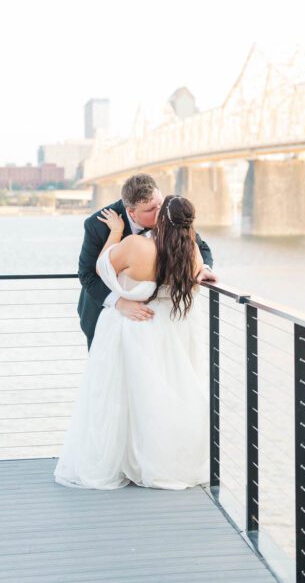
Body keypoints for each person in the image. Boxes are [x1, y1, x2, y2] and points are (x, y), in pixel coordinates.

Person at [55, 195, 211, 489]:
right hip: (167, 331)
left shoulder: (137, 246)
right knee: (157, 396)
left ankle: (119, 460)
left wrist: (115, 233)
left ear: (161, 218)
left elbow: (101, 269)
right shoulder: (192, 254)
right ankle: (155, 461)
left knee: (117, 396)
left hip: (130, 328)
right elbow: (195, 277)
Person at [77, 174, 216, 348]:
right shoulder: (97, 225)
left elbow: (201, 247)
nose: (160, 212)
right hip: (104, 314)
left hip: (158, 321)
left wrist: (204, 268)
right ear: (131, 212)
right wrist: (120, 303)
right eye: (151, 209)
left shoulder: (168, 214)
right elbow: (87, 274)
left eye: (160, 202)